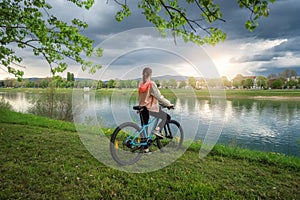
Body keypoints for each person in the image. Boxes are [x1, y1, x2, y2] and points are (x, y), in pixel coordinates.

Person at [138, 67, 174, 139]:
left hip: (142, 108)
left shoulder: (141, 84)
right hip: (149, 108)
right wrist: (168, 104)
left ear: (143, 74)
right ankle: (157, 130)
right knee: (167, 117)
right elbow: (159, 97)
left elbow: (142, 97)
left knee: (144, 128)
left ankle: (145, 149)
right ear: (150, 74)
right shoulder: (151, 84)